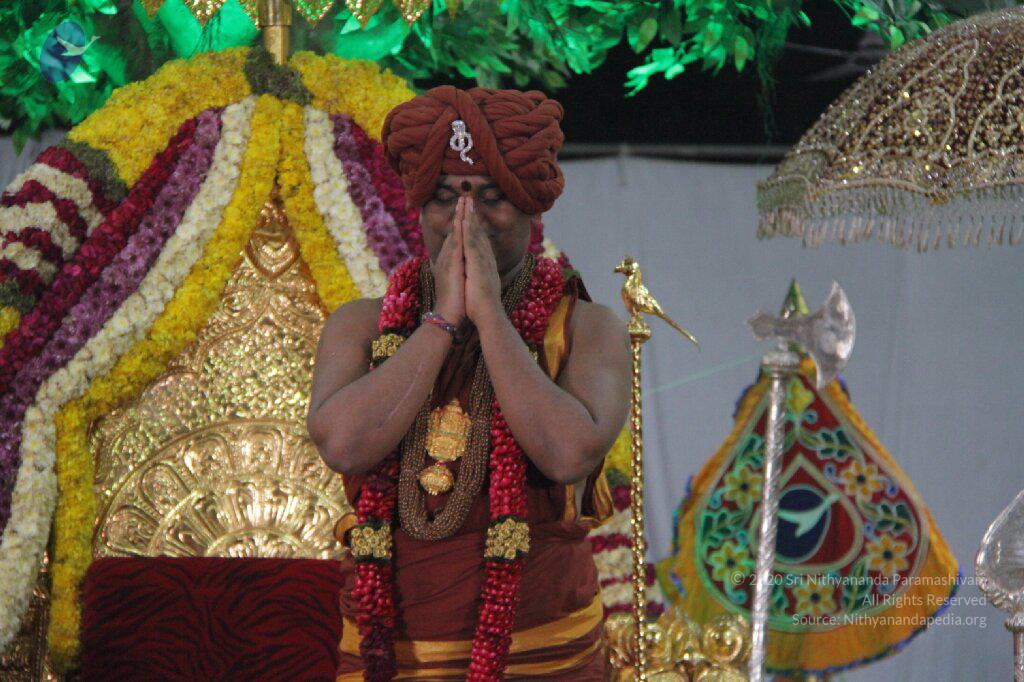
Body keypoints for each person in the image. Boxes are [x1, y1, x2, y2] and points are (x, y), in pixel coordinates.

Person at [307, 85, 630, 680]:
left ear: (532, 210)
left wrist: (490, 316)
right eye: (444, 198)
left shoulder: (587, 328)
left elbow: (568, 455)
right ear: (419, 209)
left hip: (541, 656)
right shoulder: (360, 324)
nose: (467, 218)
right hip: (388, 658)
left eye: (491, 197)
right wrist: (441, 323)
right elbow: (343, 446)